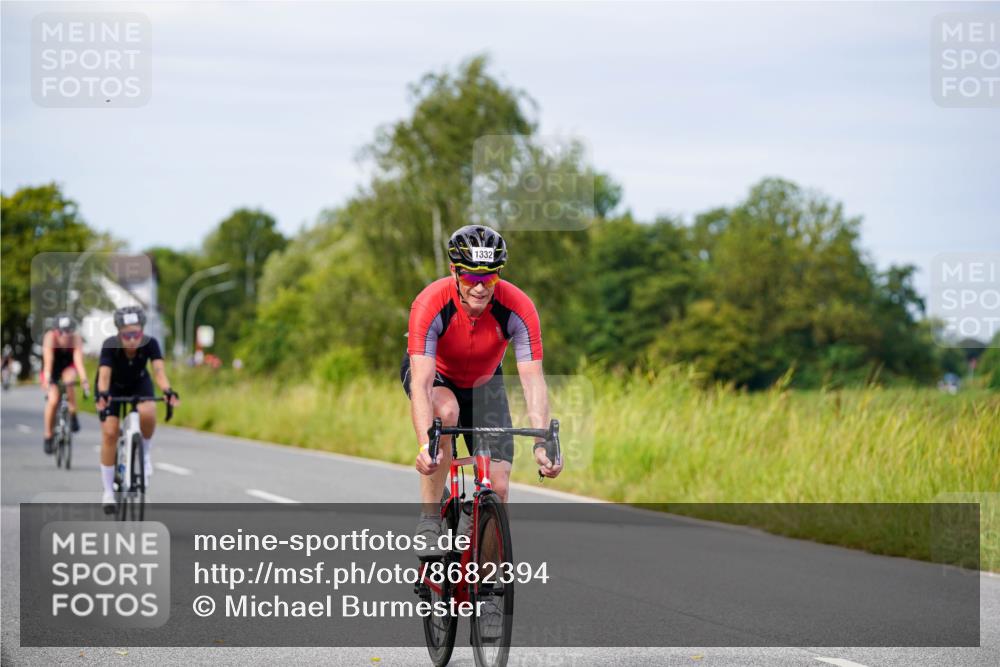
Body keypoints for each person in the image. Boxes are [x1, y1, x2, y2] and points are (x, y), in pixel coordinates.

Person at [404, 225, 562, 548]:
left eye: (489, 277)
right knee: (446, 411)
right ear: (454, 272)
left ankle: (489, 589)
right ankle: (431, 518)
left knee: (499, 487)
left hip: (484, 381)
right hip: (436, 377)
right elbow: (420, 384)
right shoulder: (429, 303)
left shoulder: (518, 307)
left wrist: (542, 442)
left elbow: (533, 380)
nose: (480, 287)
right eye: (472, 278)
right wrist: (425, 445)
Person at [94, 306, 179, 513]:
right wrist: (103, 394)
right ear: (119, 334)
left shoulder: (151, 344)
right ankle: (107, 491)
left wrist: (167, 390)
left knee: (148, 412)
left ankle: (146, 455)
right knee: (110, 433)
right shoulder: (110, 345)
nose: (132, 339)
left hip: (139, 382)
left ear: (142, 331)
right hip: (112, 387)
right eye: (127, 335)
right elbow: (104, 376)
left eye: (137, 334)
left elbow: (158, 371)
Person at [40, 314, 89, 453]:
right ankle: (48, 435)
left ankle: (73, 413)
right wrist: (48, 380)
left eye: (69, 331)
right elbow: (48, 362)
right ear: (56, 331)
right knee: (53, 400)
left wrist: (84, 380)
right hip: (52, 369)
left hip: (68, 366)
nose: (65, 335)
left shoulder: (76, 339)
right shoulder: (50, 338)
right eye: (62, 331)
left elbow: (78, 362)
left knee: (70, 381)